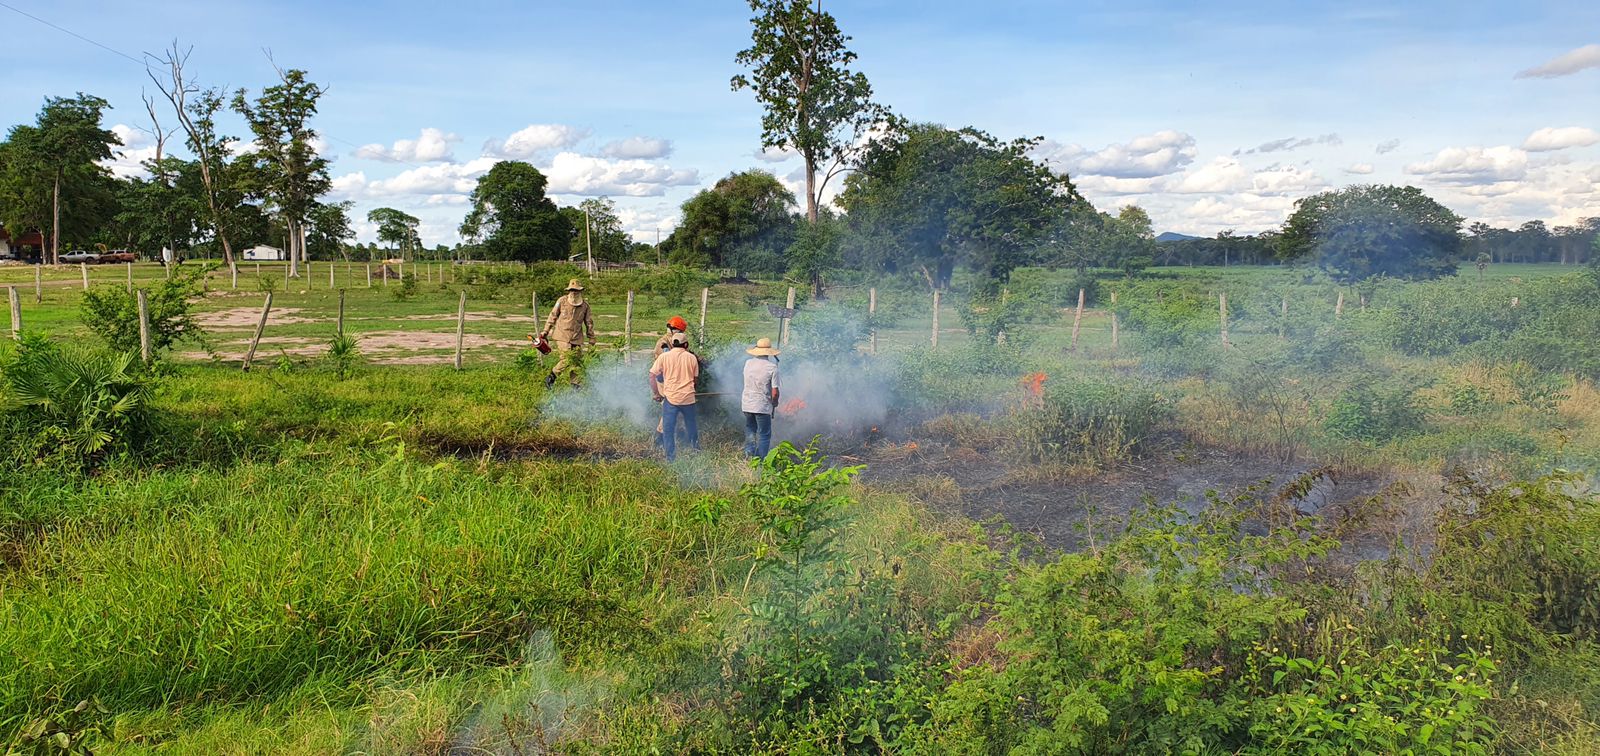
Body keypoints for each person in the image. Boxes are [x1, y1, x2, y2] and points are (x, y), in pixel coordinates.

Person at [649, 333, 700, 462]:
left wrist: (656, 393)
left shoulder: (664, 357)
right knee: (691, 426)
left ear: (672, 344)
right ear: (686, 344)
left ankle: (670, 458)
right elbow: (695, 379)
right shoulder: (692, 358)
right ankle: (695, 450)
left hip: (670, 400)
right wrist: (691, 389)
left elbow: (652, 375)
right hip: (688, 399)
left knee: (668, 429)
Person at [539, 278, 596, 388]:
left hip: (577, 337)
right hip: (562, 335)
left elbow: (589, 322)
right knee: (566, 358)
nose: (574, 292)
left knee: (576, 362)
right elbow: (552, 316)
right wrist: (545, 331)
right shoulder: (561, 301)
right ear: (569, 291)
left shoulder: (585, 306)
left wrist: (592, 337)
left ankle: (576, 386)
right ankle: (551, 377)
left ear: (580, 291)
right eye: (572, 290)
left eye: (577, 290)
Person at [654, 316, 692, 446]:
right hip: (664, 380)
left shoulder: (674, 340)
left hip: (673, 379)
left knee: (676, 409)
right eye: (679, 331)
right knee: (669, 408)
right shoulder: (663, 343)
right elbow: (666, 361)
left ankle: (675, 437)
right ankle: (659, 439)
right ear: (671, 329)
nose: (680, 334)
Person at [741, 337, 781, 459]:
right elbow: (775, 392)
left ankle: (749, 456)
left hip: (747, 404)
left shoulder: (748, 363)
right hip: (762, 406)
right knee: (764, 435)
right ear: (769, 352)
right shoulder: (772, 367)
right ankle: (762, 461)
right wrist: (775, 403)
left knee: (750, 431)